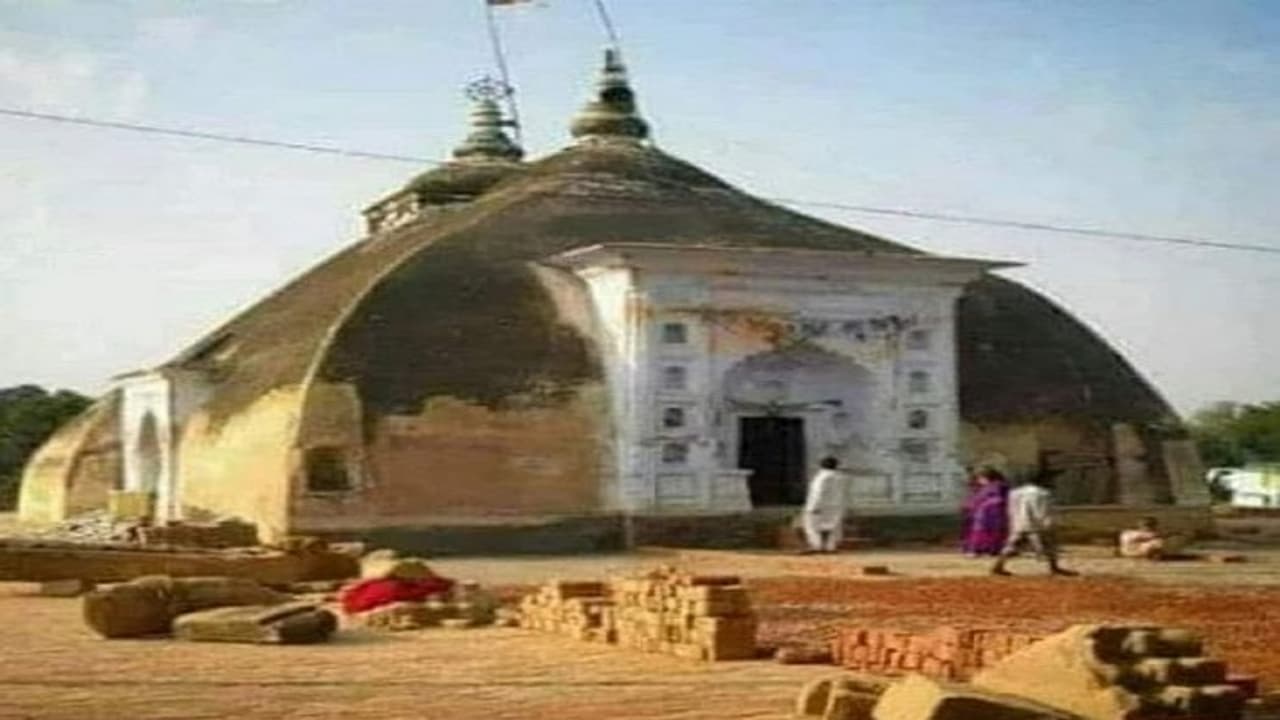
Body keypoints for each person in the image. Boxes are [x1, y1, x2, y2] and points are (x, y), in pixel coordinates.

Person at [991, 472, 1077, 577]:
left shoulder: (1015, 493)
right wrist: (1049, 523)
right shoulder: (1043, 494)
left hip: (1020, 523)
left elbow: (1011, 509)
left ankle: (998, 566)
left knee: (1011, 546)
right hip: (1037, 524)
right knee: (1050, 545)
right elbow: (1042, 511)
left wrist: (1013, 522)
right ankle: (1054, 567)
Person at [802, 456, 847, 554]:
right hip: (835, 506)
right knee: (833, 526)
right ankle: (830, 546)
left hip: (820, 505)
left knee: (812, 525)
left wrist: (814, 506)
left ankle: (816, 545)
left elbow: (817, 492)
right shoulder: (841, 477)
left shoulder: (821, 477)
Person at [961, 467, 1010, 557]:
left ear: (987, 477)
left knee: (983, 532)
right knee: (987, 532)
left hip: (989, 515)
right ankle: (989, 550)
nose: (979, 480)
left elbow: (993, 499)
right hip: (988, 514)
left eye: (980, 478)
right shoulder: (989, 487)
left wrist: (971, 506)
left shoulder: (996, 486)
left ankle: (981, 550)